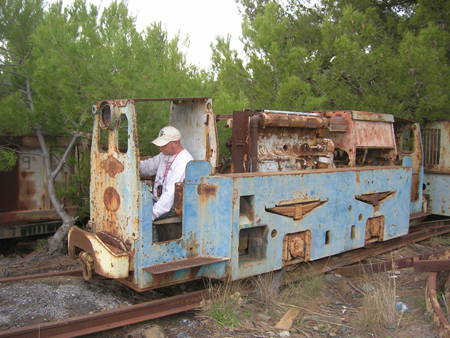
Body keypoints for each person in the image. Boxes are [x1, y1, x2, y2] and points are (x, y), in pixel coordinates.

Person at [140, 126, 194, 221]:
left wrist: (151, 215)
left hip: (171, 209)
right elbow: (149, 166)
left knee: (140, 214)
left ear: (175, 143)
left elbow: (170, 194)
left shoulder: (184, 162)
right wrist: (131, 165)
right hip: (158, 201)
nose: (160, 148)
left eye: (164, 145)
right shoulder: (165, 154)